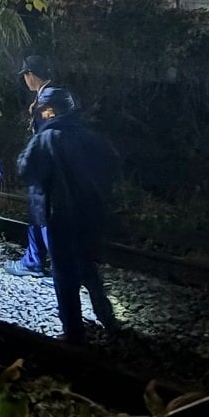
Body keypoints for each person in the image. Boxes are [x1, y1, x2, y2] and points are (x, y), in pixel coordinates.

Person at [17, 87, 121, 344]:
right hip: (91, 213)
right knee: (87, 265)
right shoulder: (92, 137)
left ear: (50, 111)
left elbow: (26, 171)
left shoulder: (46, 138)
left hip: (60, 214)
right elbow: (113, 164)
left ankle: (74, 332)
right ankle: (108, 319)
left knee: (64, 273)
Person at [4, 55, 54, 279]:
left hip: (45, 170)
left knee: (41, 217)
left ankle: (51, 267)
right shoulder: (49, 96)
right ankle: (35, 261)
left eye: (25, 75)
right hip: (48, 169)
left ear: (30, 75)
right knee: (39, 216)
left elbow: (48, 131)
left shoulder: (47, 101)